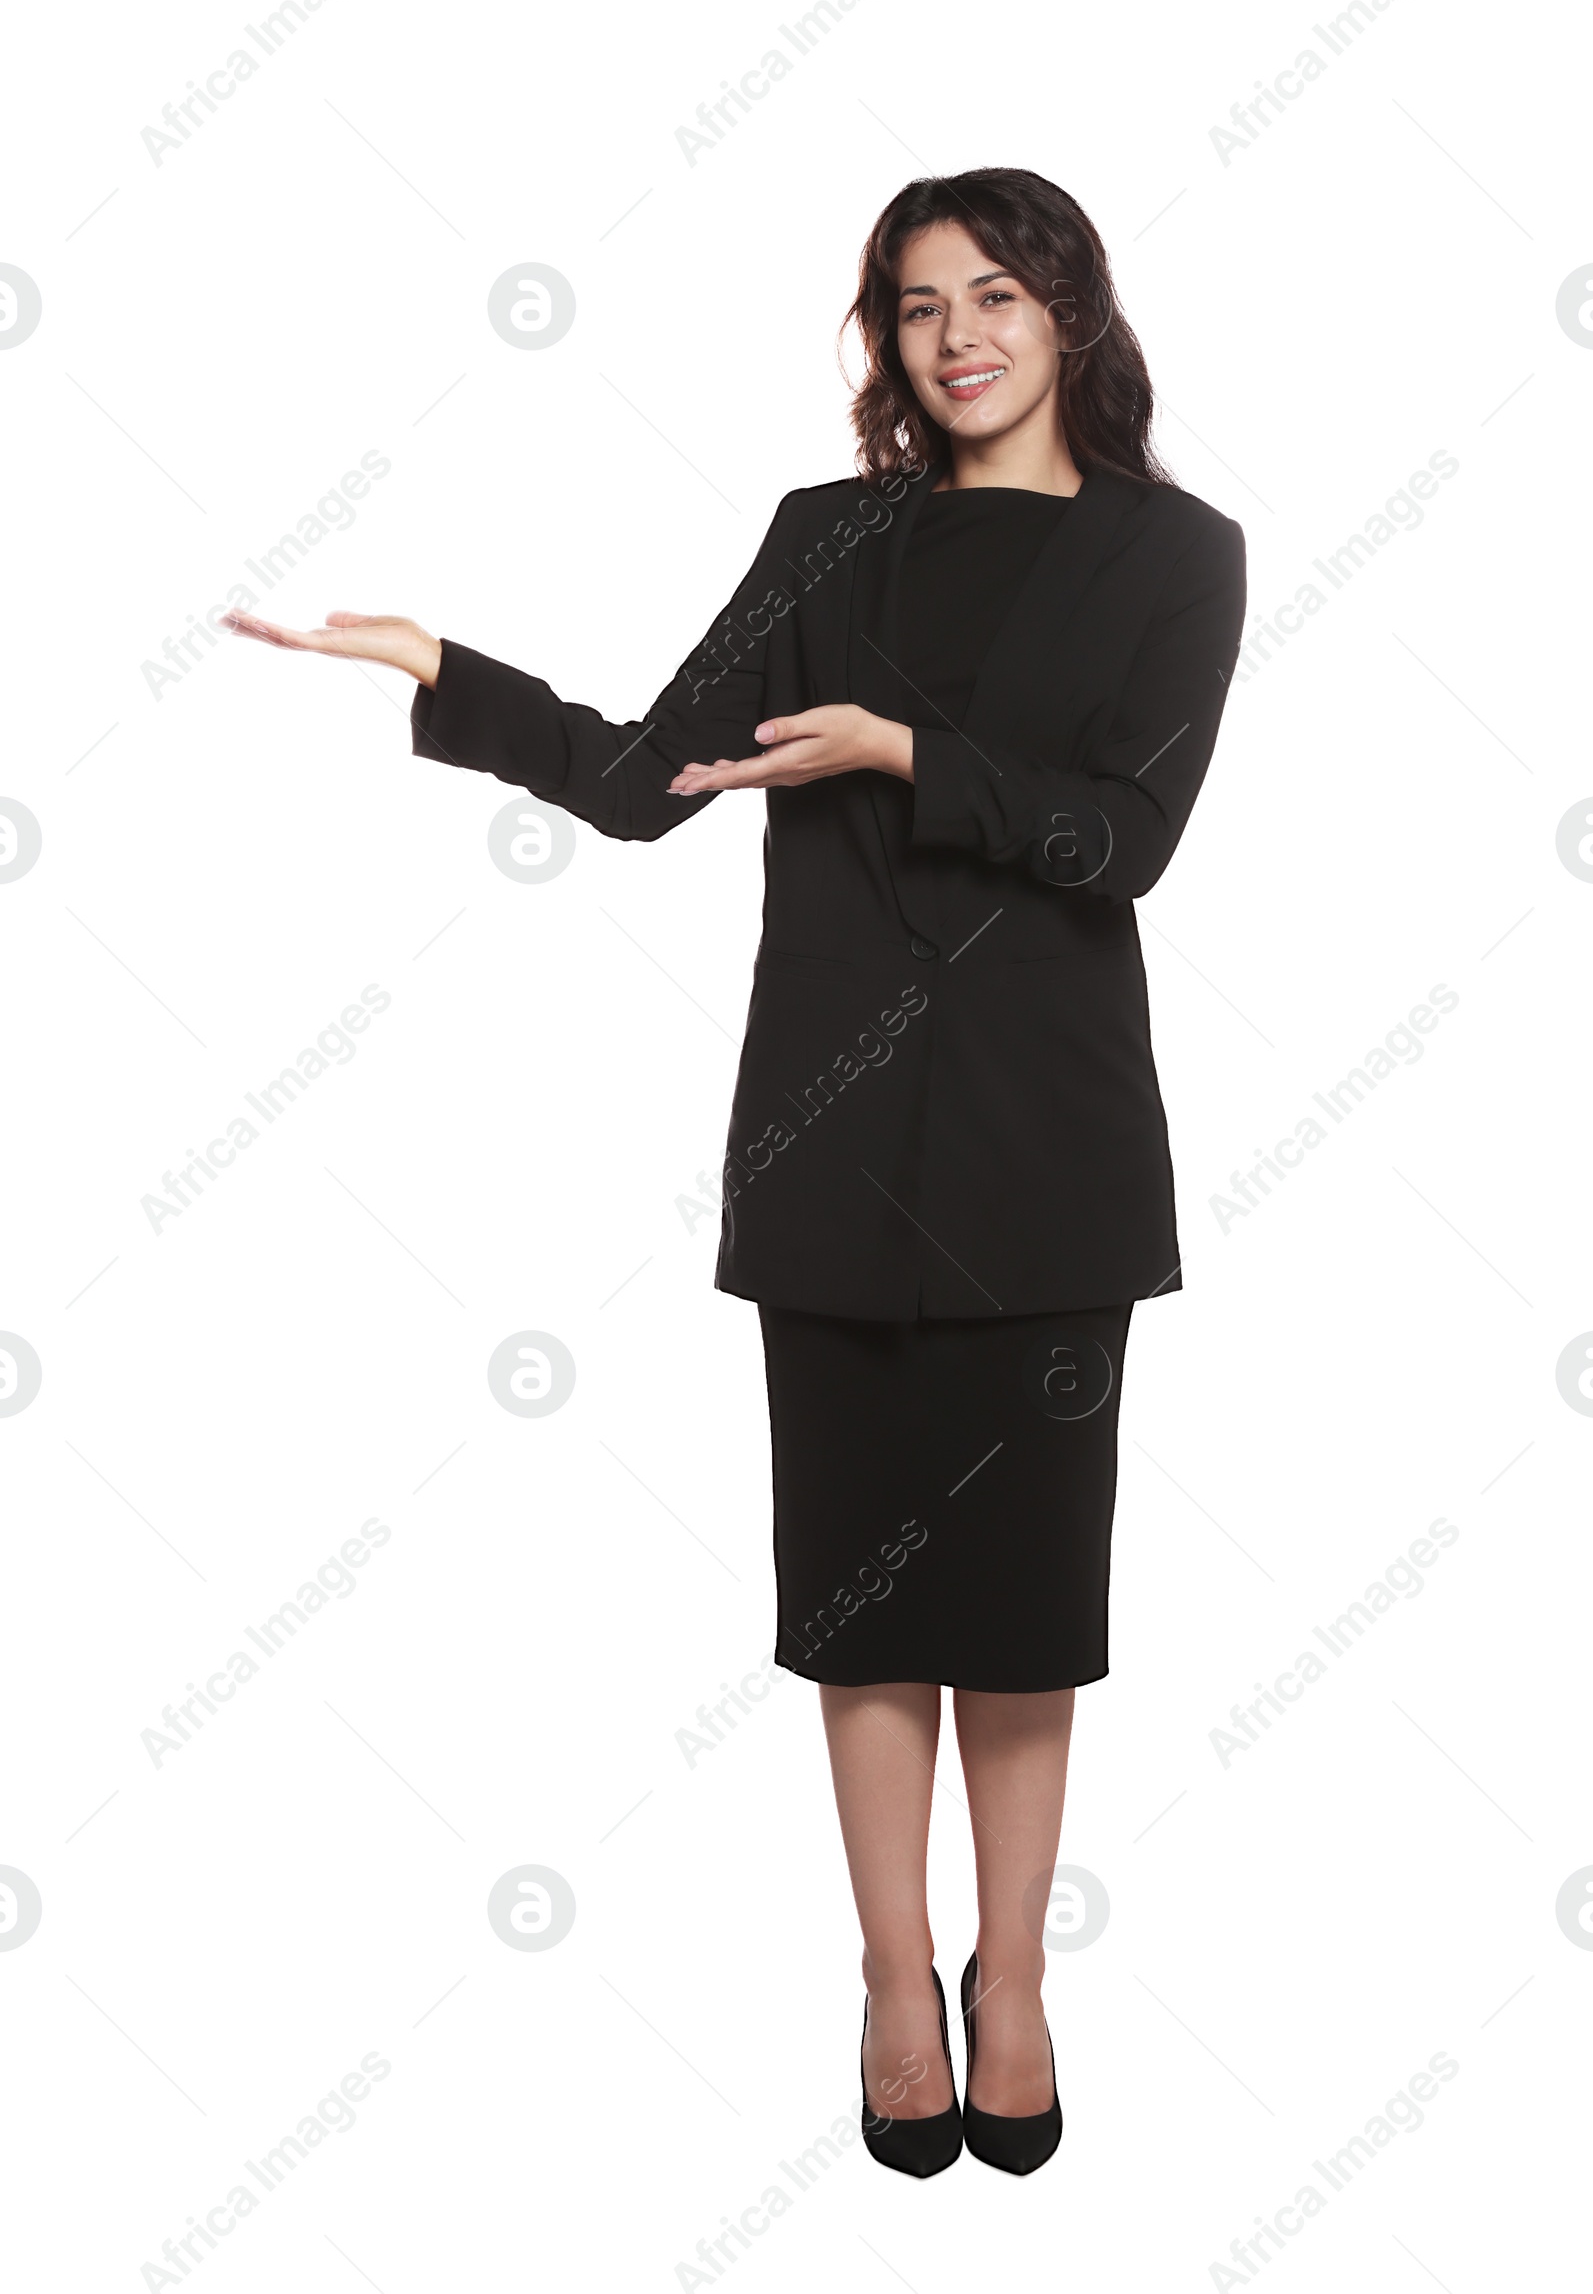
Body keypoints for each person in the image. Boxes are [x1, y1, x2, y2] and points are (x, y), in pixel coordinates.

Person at [223, 166, 1247, 2178]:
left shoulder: (1172, 552)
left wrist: (896, 757)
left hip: (1048, 1153)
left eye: (990, 293)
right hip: (838, 1149)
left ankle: (1012, 1975)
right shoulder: (830, 533)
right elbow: (640, 783)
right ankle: (888, 1975)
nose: (951, 332)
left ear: (1067, 312)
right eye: (911, 300)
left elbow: (1116, 841)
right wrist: (447, 670)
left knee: (1021, 1607)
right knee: (865, 1605)